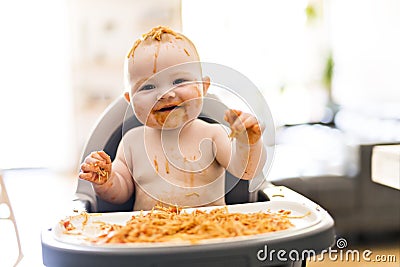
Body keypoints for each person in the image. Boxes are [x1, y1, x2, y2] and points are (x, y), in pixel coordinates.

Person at [79, 26, 266, 211]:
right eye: (147, 87)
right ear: (130, 100)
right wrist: (105, 179)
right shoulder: (131, 142)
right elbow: (120, 192)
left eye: (179, 81)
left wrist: (247, 142)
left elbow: (246, 171)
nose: (165, 94)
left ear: (203, 87)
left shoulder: (213, 135)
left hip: (212, 235)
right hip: (148, 236)